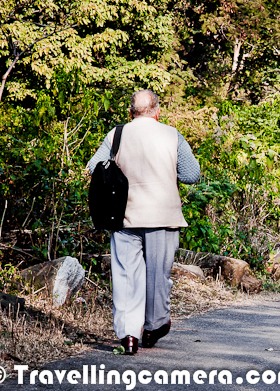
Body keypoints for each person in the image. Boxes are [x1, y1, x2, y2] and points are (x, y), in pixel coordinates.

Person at [87, 90, 200, 354]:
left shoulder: (116, 134)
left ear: (130, 112)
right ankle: (153, 327)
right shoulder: (172, 135)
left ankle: (129, 336)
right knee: (158, 277)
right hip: (163, 216)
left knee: (126, 276)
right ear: (157, 112)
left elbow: (94, 167)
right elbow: (192, 175)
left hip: (125, 216)